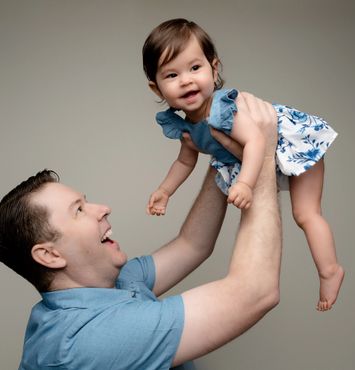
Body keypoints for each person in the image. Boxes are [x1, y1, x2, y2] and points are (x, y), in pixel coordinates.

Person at [0, 95, 281, 369]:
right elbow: (255, 292)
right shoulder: (90, 338)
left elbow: (192, 244)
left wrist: (218, 147)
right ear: (49, 255)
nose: (103, 208)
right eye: (79, 210)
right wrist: (264, 153)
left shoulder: (111, 281)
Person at [142, 18, 344, 311]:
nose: (186, 80)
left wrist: (246, 183)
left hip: (291, 141)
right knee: (303, 215)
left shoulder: (225, 109)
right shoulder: (186, 129)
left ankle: (330, 270)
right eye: (171, 75)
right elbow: (184, 162)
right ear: (156, 88)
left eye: (195, 68)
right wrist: (164, 190)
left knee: (307, 213)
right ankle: (330, 270)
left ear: (214, 68)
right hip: (264, 157)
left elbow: (256, 142)